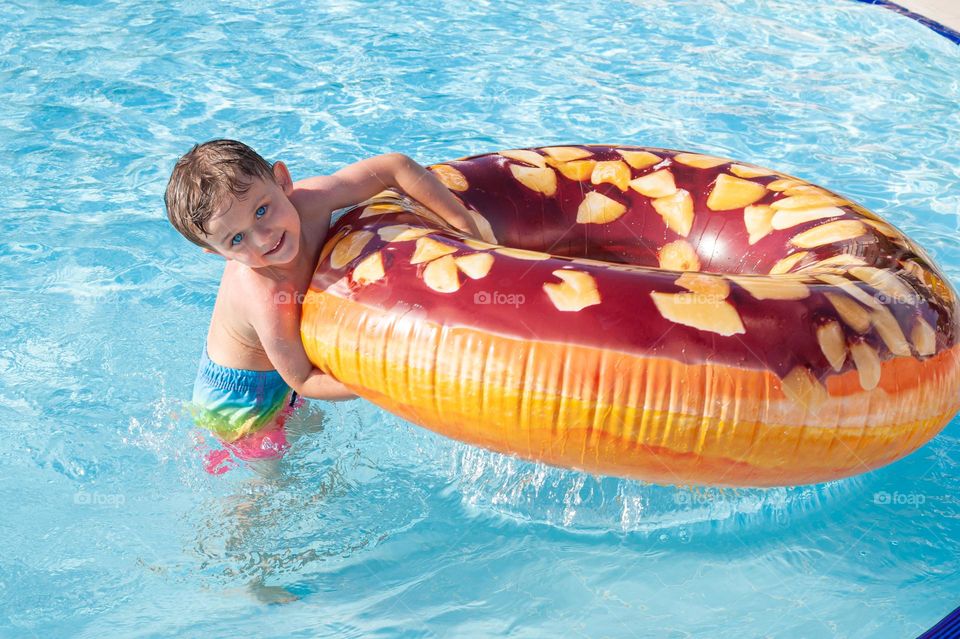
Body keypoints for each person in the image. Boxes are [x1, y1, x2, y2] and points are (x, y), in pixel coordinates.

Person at [164, 139, 479, 465]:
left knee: (309, 431)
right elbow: (302, 379)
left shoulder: (312, 202)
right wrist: (393, 382)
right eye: (237, 239)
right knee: (268, 479)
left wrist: (464, 227)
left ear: (282, 181)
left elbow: (394, 167)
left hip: (281, 370)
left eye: (262, 210)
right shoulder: (264, 294)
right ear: (217, 253)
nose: (264, 237)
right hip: (239, 401)